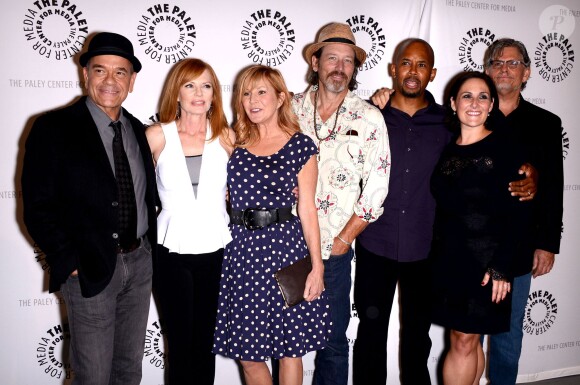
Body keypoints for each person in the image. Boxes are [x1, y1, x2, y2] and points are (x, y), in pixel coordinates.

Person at [21, 32, 157, 385]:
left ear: (132, 80)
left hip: (139, 264)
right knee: (92, 375)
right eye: (100, 70)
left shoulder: (138, 130)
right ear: (85, 75)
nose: (110, 81)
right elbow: (38, 206)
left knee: (128, 371)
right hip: (90, 268)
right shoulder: (52, 128)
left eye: (120, 72)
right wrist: (70, 261)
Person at [212, 65, 330, 385]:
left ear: (280, 98)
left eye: (261, 92)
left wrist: (317, 267)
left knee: (289, 350)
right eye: (246, 93)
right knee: (248, 356)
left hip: (284, 250)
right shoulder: (233, 142)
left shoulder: (300, 146)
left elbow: (307, 208)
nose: (252, 100)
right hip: (241, 252)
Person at [291, 22, 391, 385]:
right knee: (284, 342)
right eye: (331, 58)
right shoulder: (287, 108)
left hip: (333, 250)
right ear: (315, 62)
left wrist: (344, 240)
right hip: (285, 244)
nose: (339, 67)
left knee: (332, 342)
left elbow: (377, 191)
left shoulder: (369, 118)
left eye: (348, 61)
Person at [352, 38, 450, 385]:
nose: (413, 71)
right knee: (371, 331)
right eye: (406, 63)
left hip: (425, 247)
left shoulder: (449, 124)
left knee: (417, 337)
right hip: (375, 241)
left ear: (432, 73)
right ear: (393, 69)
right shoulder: (367, 115)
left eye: (421, 65)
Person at [430, 71, 527, 385]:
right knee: (467, 339)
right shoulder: (447, 149)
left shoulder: (504, 149)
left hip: (486, 263)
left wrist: (501, 266)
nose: (475, 103)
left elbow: (518, 214)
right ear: (453, 103)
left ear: (492, 105)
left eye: (483, 96)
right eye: (467, 96)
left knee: (464, 339)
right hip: (449, 260)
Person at [146, 58, 235, 384]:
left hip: (217, 250)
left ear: (214, 95)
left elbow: (253, 183)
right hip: (170, 251)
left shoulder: (227, 137)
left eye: (206, 85)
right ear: (177, 93)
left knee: (205, 343)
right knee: (180, 344)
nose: (199, 93)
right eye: (190, 85)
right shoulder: (156, 136)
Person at [483, 38, 564, 385]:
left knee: (507, 333)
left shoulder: (546, 123)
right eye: (497, 62)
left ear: (527, 72)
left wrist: (547, 243)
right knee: (465, 335)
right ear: (486, 71)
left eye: (513, 63)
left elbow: (553, 187)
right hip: (470, 242)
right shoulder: (467, 114)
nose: (504, 68)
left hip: (519, 246)